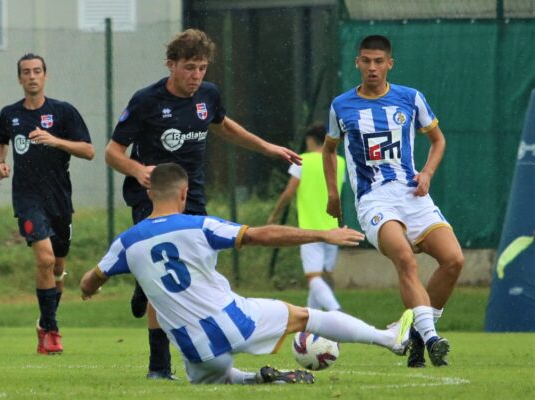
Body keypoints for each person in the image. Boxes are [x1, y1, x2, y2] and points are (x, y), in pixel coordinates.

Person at [80, 163, 414, 384]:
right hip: (233, 321)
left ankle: (255, 379)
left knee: (210, 377)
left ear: (149, 193)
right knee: (305, 316)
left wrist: (91, 286)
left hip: (194, 347)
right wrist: (323, 234)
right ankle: (389, 339)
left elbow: (90, 281)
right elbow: (259, 235)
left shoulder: (126, 243)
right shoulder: (200, 225)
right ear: (183, 194)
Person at [105, 29, 301, 379]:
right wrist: (139, 171)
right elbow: (112, 153)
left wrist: (267, 147)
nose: (196, 76)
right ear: (171, 65)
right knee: (160, 283)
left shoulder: (208, 95)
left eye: (202, 68)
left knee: (197, 270)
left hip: (191, 195)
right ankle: (159, 368)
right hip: (151, 196)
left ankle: (158, 299)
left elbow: (223, 127)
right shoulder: (146, 101)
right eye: (189, 67)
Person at [322, 35, 464, 368]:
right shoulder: (341, 106)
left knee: (454, 260)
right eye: (366, 61)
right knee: (405, 258)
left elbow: (438, 140)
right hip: (374, 200)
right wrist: (333, 192)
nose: (372, 68)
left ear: (389, 64)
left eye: (378, 61)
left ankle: (416, 332)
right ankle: (430, 338)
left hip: (413, 194)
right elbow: (329, 149)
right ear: (357, 62)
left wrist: (427, 173)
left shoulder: (411, 99)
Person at [0, 53, 95, 355]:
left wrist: (55, 141)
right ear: (19, 78)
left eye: (37, 71)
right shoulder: (10, 114)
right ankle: (51, 330)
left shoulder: (63, 112)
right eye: (26, 72)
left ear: (45, 76)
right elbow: (1, 140)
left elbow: (88, 151)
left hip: (60, 200)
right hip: (27, 199)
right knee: (45, 260)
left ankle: (46, 322)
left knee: (58, 267)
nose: (32, 76)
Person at [268, 123, 347, 311]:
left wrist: (274, 215)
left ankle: (337, 312)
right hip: (333, 228)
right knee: (323, 276)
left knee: (313, 277)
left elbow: (288, 193)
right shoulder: (340, 161)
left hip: (310, 230)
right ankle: (311, 321)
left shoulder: (302, 160)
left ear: (311, 140)